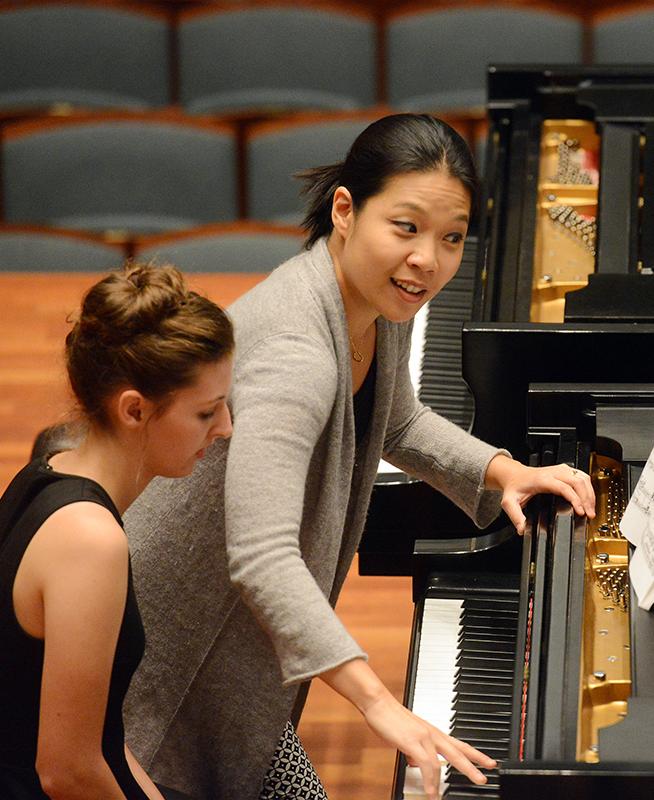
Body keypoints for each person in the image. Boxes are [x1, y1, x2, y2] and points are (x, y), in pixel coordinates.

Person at [122, 113, 596, 800]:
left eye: (451, 238)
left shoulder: (370, 306)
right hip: (161, 674)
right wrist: (379, 702)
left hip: (231, 659)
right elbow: (262, 554)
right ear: (345, 209)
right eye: (405, 228)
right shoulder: (298, 356)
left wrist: (505, 472)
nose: (427, 260)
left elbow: (397, 418)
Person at [0, 263, 234, 800]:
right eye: (205, 412)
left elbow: (99, 734)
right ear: (134, 410)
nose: (224, 429)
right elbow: (66, 773)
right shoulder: (90, 541)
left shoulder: (49, 468)